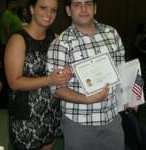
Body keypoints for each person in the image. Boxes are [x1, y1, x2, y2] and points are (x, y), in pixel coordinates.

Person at [47, 0, 125, 150]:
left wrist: (129, 96)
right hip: (79, 124)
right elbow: (56, 89)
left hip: (112, 118)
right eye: (77, 4)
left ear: (95, 8)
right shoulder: (60, 44)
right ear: (68, 11)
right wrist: (87, 99)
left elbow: (121, 68)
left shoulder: (111, 33)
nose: (83, 9)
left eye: (88, 3)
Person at [4, 0, 71, 149]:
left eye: (53, 10)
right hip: (26, 116)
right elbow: (14, 82)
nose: (49, 14)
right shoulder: (18, 40)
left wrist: (66, 72)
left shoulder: (55, 38)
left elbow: (61, 70)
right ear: (32, 9)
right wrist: (49, 80)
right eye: (43, 8)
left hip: (51, 112)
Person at [0, 0, 22, 66]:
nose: (16, 5)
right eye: (14, 3)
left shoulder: (14, 14)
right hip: (7, 44)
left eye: (17, 3)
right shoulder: (7, 14)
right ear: (9, 4)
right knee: (8, 65)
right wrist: (12, 44)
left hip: (14, 43)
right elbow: (8, 32)